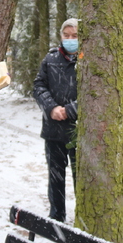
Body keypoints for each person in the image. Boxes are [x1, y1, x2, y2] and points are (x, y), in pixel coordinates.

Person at [33, 18, 79, 222]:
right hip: (54, 129)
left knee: (82, 177)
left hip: (79, 132)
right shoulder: (51, 59)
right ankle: (56, 216)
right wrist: (51, 108)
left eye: (75, 36)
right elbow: (38, 86)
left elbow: (95, 94)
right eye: (66, 35)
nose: (70, 39)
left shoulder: (90, 60)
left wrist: (71, 110)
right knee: (55, 176)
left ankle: (84, 217)